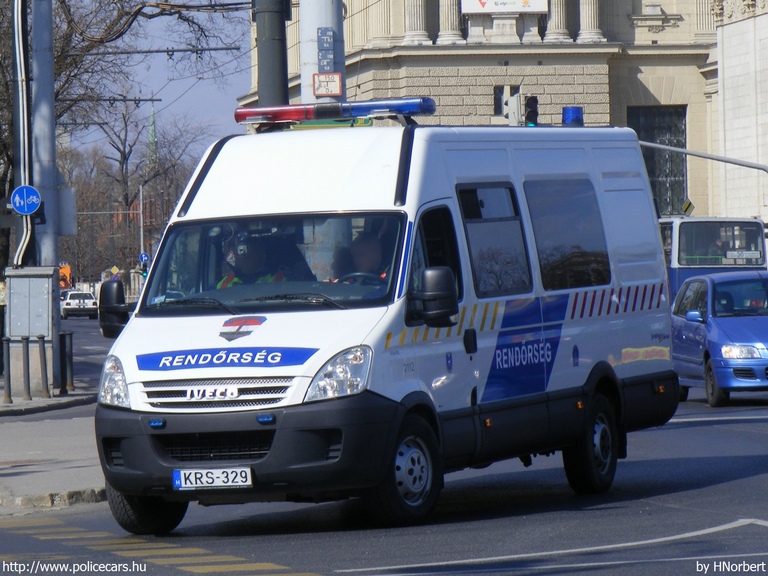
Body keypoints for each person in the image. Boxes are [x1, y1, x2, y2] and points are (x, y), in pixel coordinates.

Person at [217, 236, 283, 288]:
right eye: (241, 253)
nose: (244, 257)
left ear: (262, 256)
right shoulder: (225, 282)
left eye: (250, 253)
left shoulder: (279, 281)